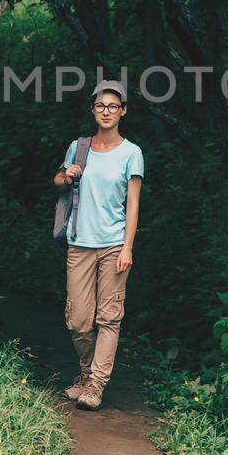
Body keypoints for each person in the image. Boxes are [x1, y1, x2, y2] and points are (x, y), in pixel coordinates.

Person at [51, 79, 144, 410]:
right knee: (78, 319)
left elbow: (133, 203)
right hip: (79, 243)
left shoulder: (132, 153)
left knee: (108, 318)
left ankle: (96, 385)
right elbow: (58, 181)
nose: (107, 111)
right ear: (93, 110)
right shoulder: (79, 147)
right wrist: (68, 174)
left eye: (113, 106)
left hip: (113, 245)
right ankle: (87, 373)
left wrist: (127, 247)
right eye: (100, 106)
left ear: (123, 111)